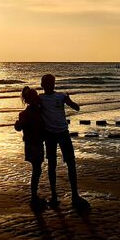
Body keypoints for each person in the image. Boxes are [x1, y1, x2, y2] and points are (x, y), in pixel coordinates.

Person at [39, 73, 90, 210]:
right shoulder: (40, 99)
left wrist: (68, 99)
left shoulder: (60, 96)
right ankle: (54, 195)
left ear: (54, 84)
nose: (50, 85)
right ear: (42, 85)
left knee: (71, 163)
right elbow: (30, 103)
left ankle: (74, 194)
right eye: (47, 83)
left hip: (63, 133)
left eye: (51, 83)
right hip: (49, 135)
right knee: (52, 164)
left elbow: (77, 107)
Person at [14, 86, 46, 210]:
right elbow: (19, 127)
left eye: (35, 98)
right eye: (31, 98)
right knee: (37, 169)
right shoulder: (26, 114)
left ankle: (34, 195)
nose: (34, 100)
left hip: (37, 143)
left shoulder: (38, 110)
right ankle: (33, 196)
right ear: (27, 100)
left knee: (37, 169)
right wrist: (17, 124)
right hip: (32, 144)